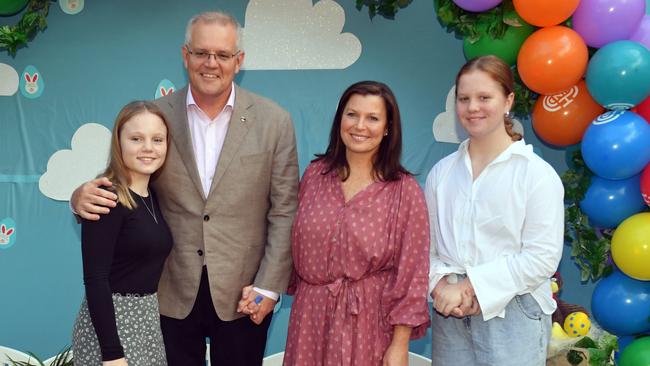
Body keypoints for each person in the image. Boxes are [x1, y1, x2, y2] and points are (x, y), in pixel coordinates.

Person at [71, 11, 298, 366]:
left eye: (222, 55)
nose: (211, 63)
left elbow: (285, 209)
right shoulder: (155, 118)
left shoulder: (274, 121)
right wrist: (79, 197)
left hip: (244, 295)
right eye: (201, 53)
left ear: (238, 61)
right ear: (184, 55)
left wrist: (269, 286)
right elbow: (120, 179)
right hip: (166, 293)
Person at [425, 55, 564, 366]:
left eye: (484, 97)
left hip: (516, 314)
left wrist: (471, 286)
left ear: (508, 101)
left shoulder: (536, 174)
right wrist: (439, 288)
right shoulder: (441, 173)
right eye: (464, 99)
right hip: (451, 315)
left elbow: (542, 257)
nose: (473, 107)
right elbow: (426, 248)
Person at [283, 81, 431, 366]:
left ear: (388, 128)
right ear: (340, 118)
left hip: (369, 325)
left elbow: (412, 273)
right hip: (310, 320)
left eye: (373, 118)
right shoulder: (315, 176)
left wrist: (399, 345)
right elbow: (289, 244)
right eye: (352, 114)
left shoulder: (404, 190)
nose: (360, 125)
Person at [72, 100, 172, 366]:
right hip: (112, 329)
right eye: (136, 138)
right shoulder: (105, 198)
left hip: (147, 324)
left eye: (157, 139)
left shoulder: (154, 196)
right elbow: (95, 280)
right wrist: (112, 354)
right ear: (119, 142)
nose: (148, 148)